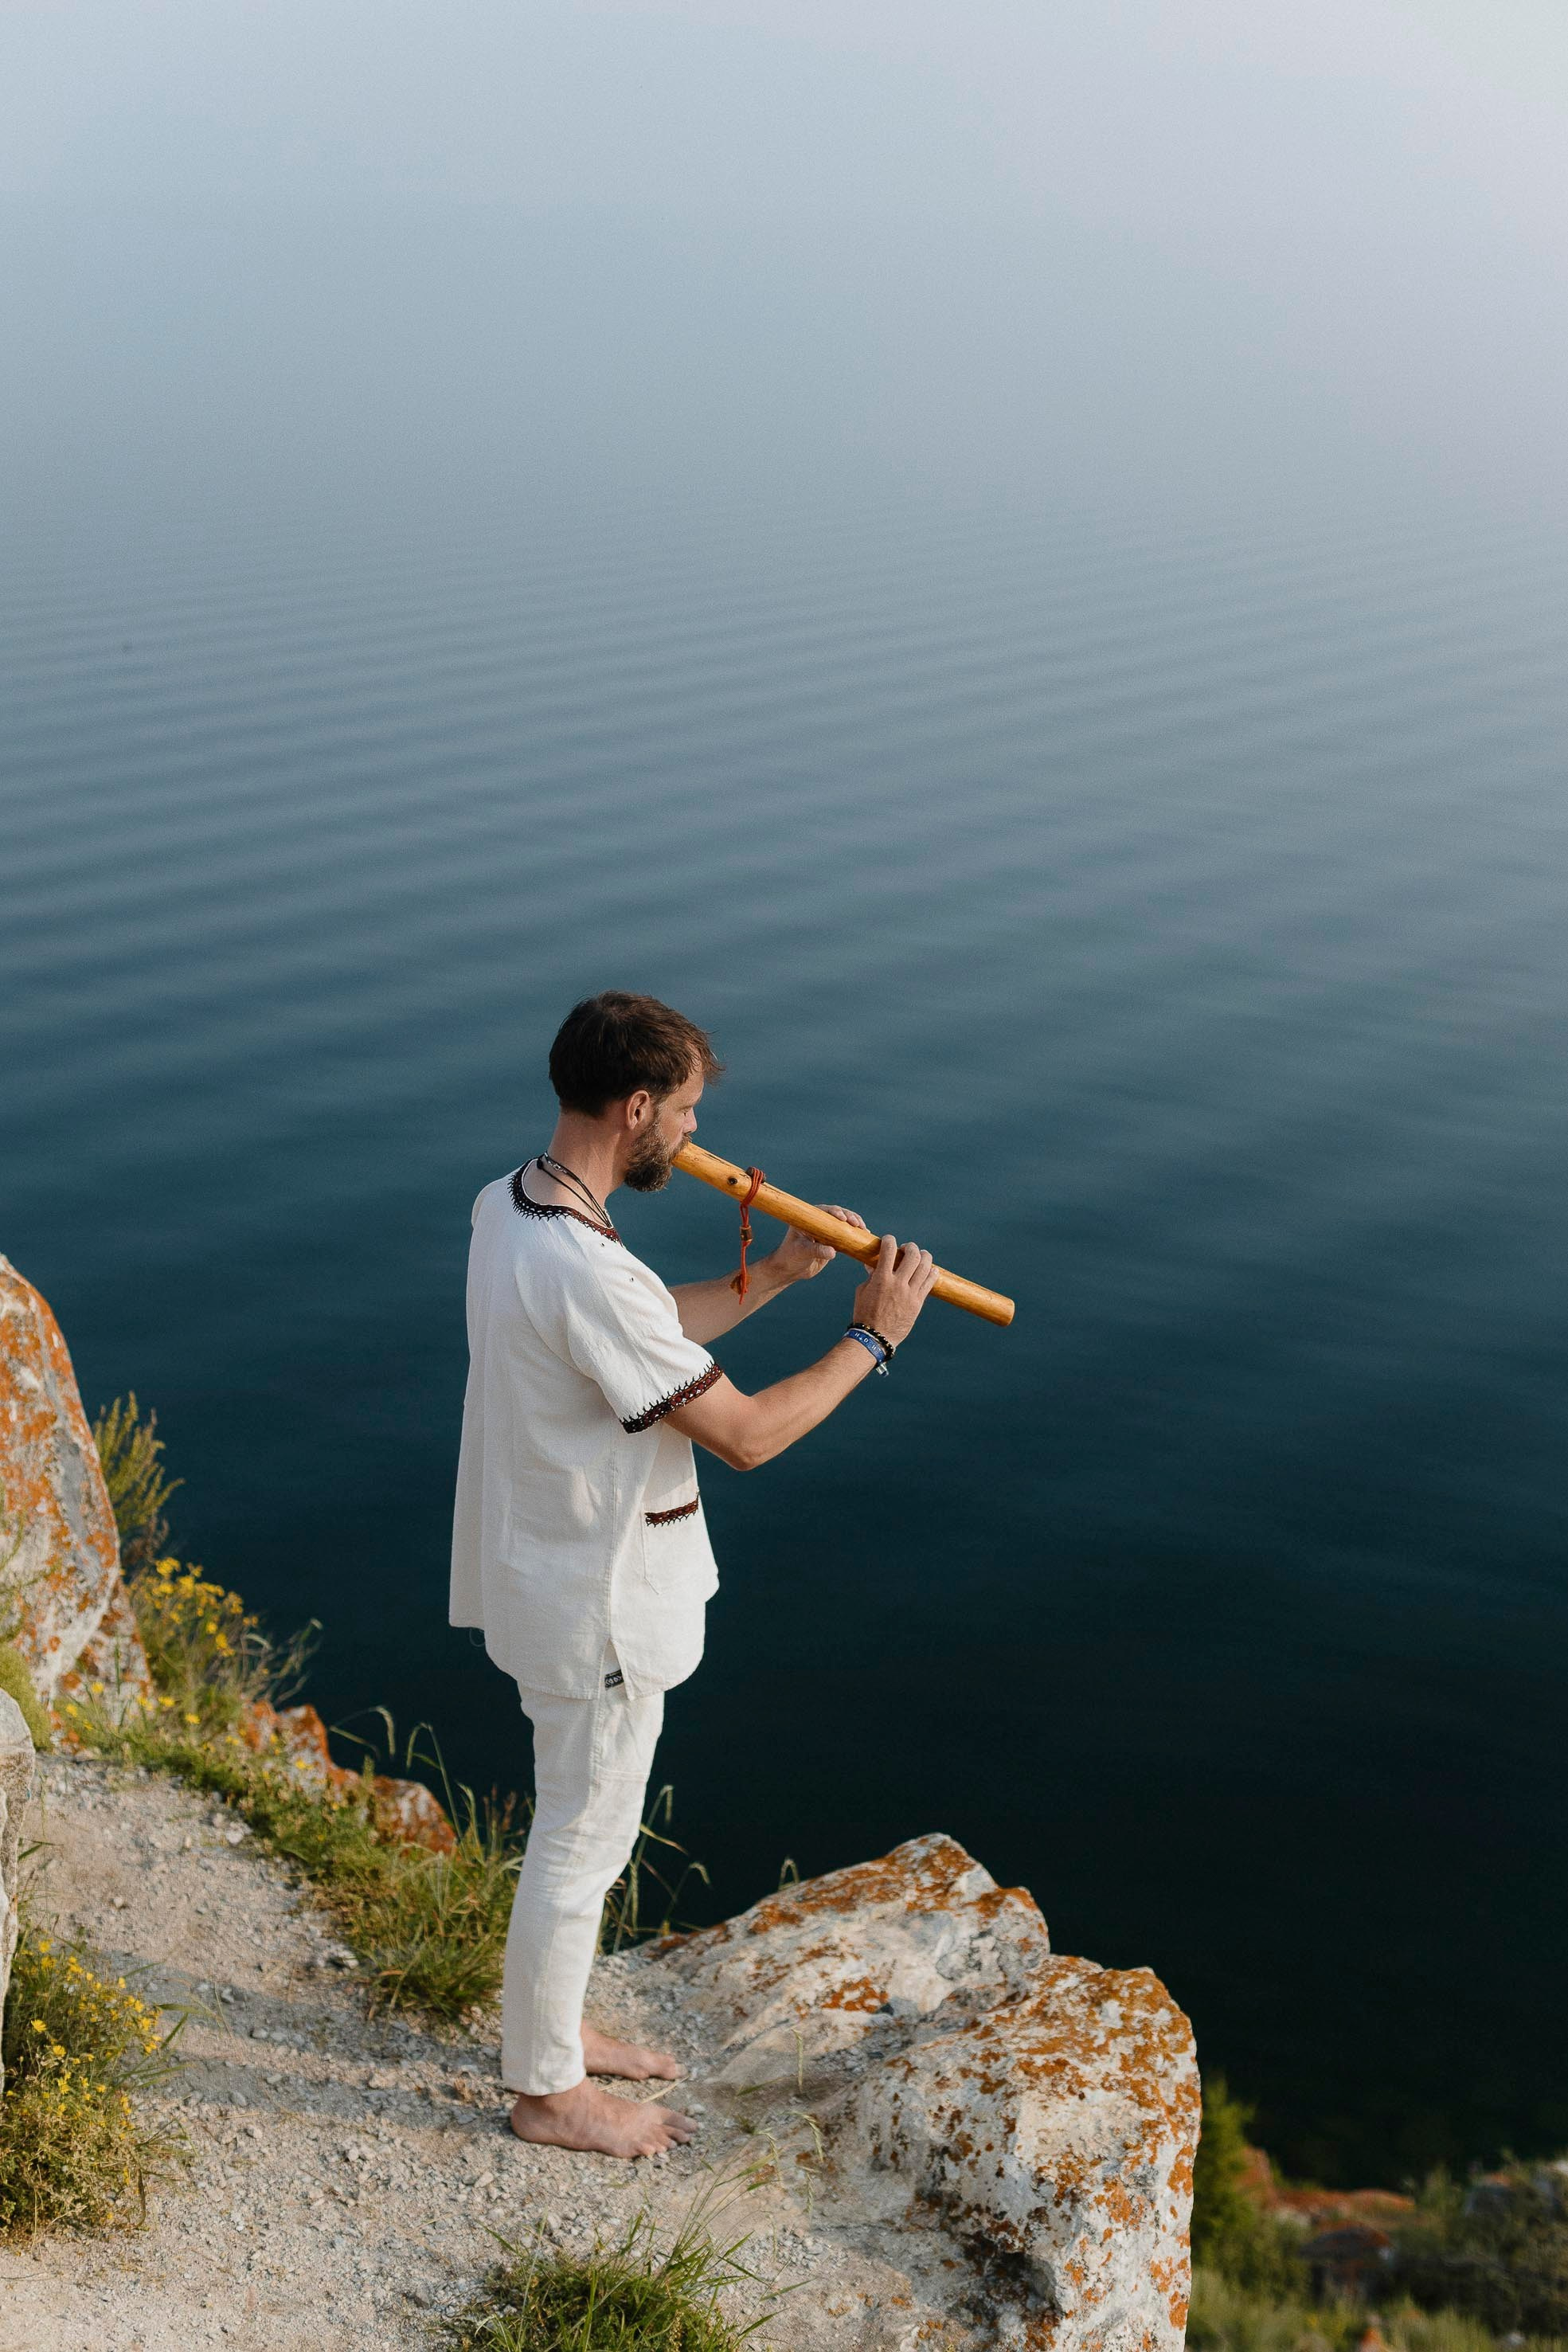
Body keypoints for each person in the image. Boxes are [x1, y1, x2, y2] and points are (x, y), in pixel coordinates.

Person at [450, 992, 937, 2158]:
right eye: (685, 1112)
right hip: (598, 1596)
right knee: (582, 1832)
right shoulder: (583, 1265)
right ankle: (546, 2090)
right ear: (634, 1108)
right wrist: (869, 1339)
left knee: (581, 1821)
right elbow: (751, 1433)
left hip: (544, 1568)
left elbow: (635, 1332)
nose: (692, 1134)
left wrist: (773, 1276)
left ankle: (553, 2031)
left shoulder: (510, 1204)